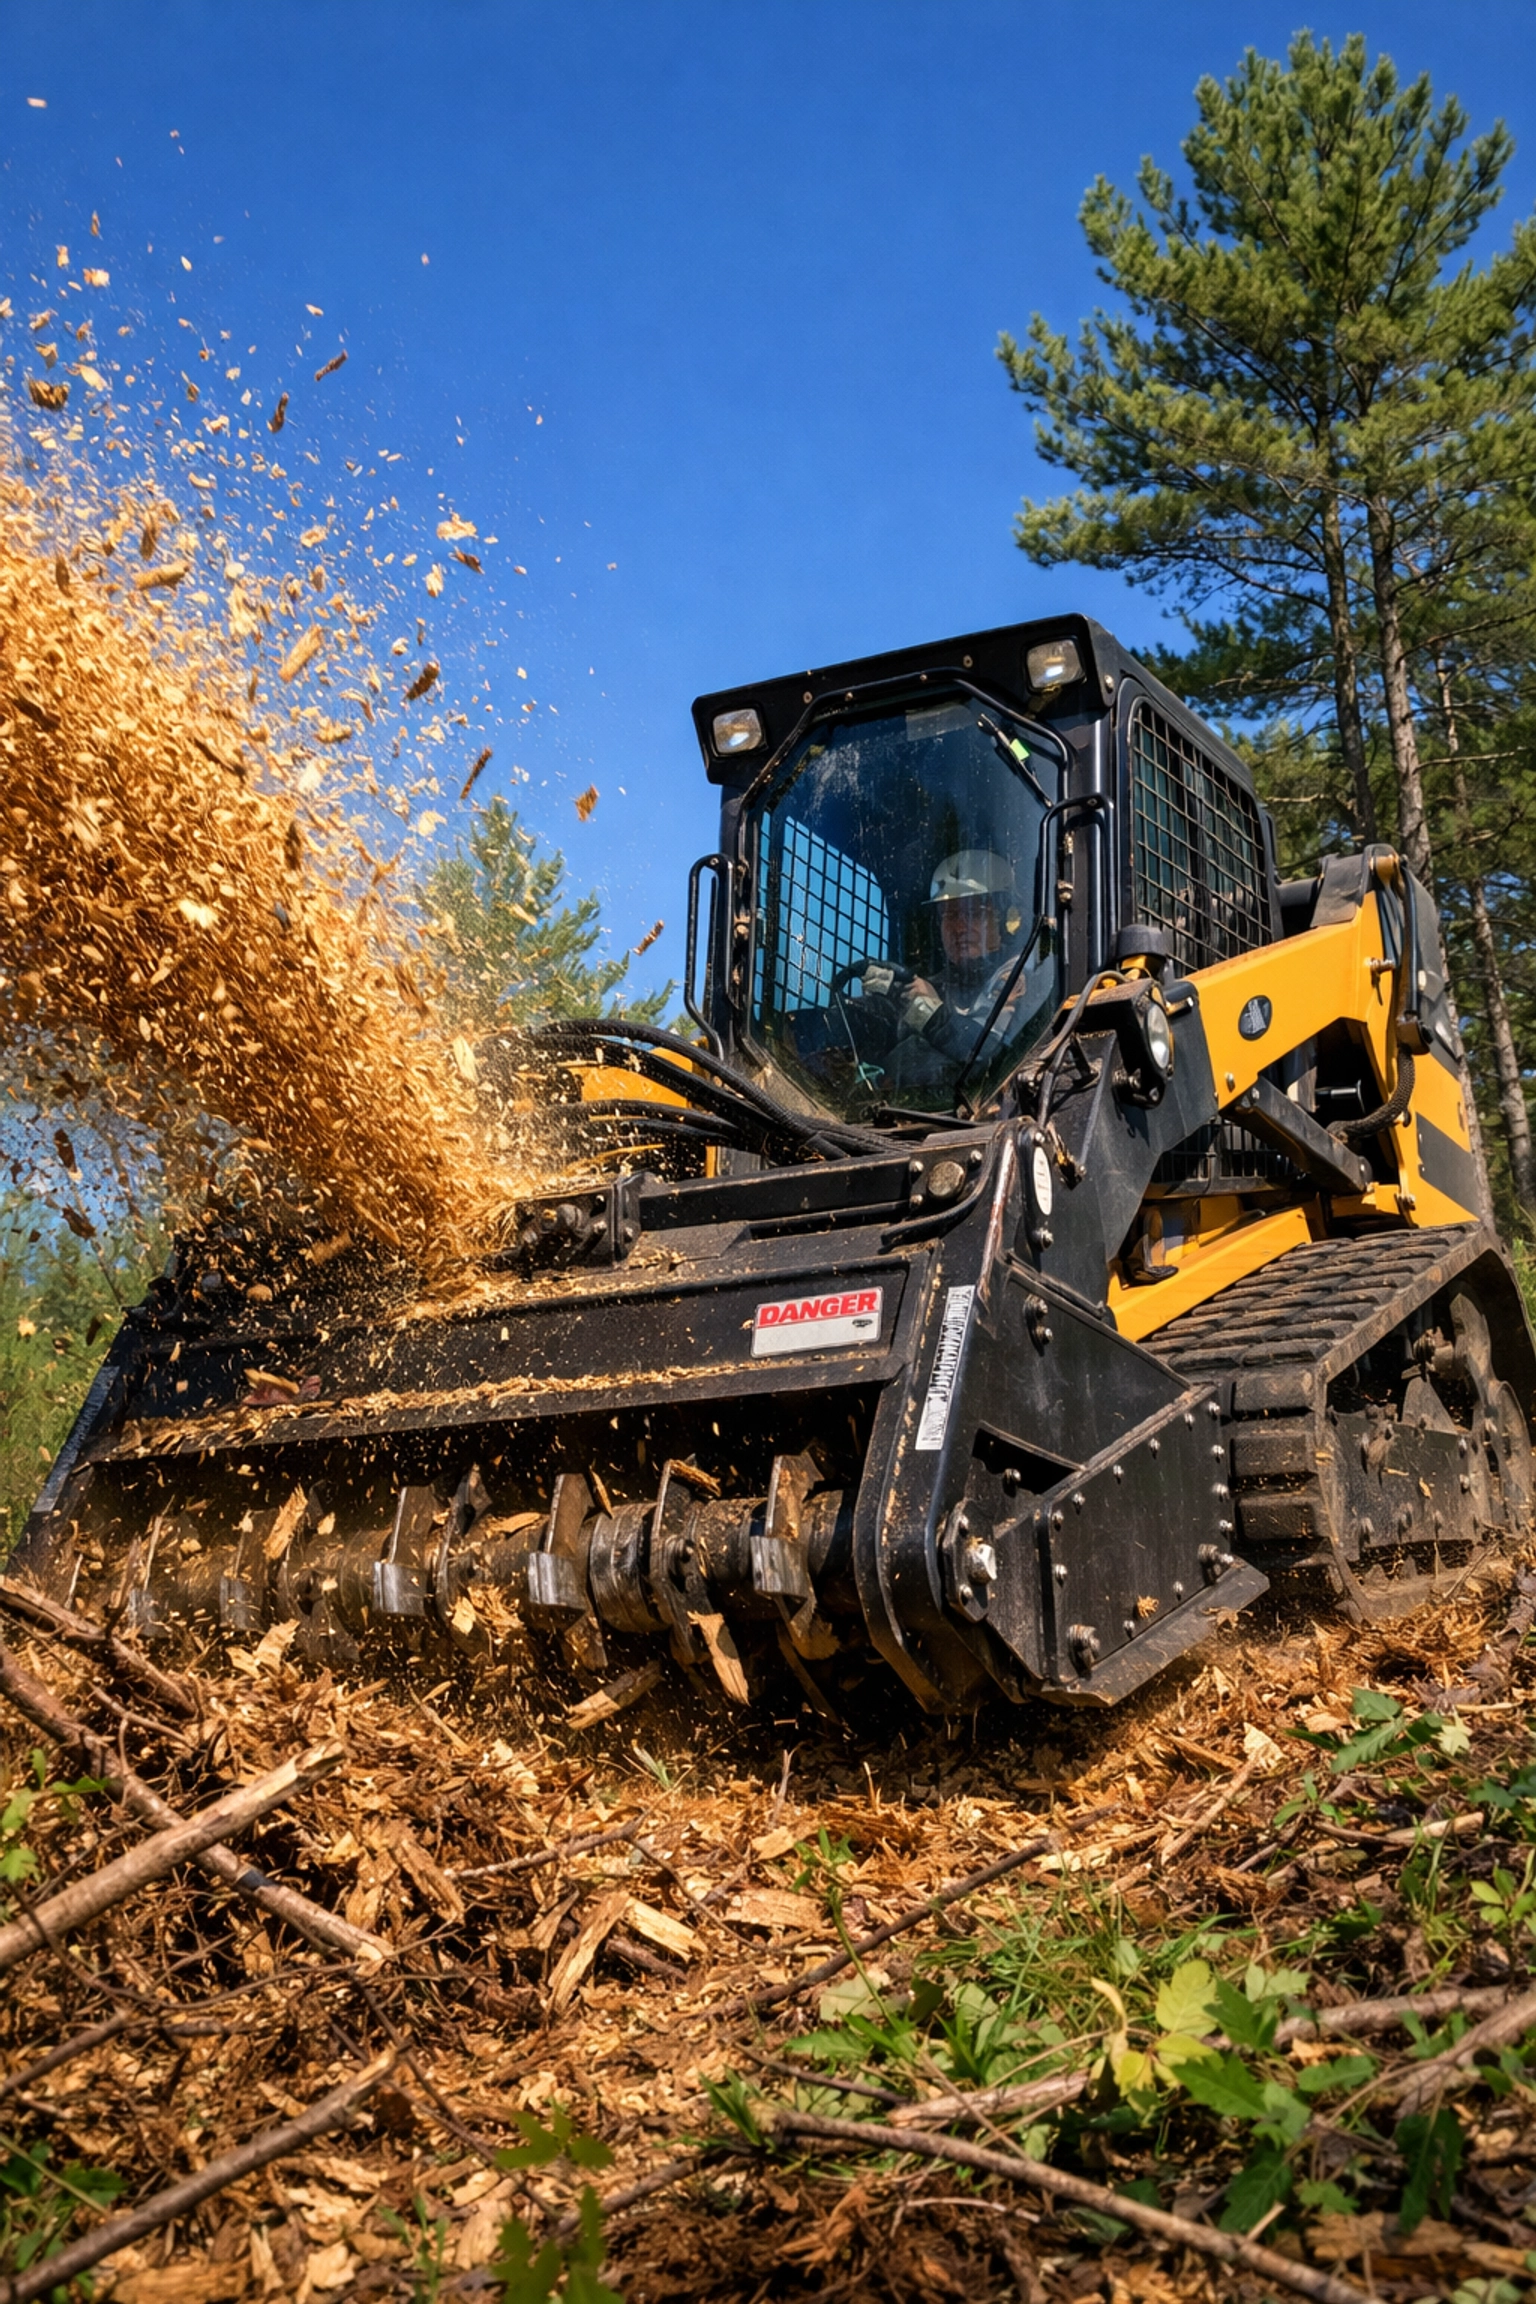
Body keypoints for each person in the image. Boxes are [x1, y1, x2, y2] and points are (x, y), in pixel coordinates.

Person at [867, 849, 1034, 1095]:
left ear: (1006, 921)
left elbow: (992, 1058)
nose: (958, 927)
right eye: (949, 916)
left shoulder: (1022, 977)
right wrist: (874, 1008)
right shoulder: (934, 985)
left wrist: (930, 1014)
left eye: (974, 913)